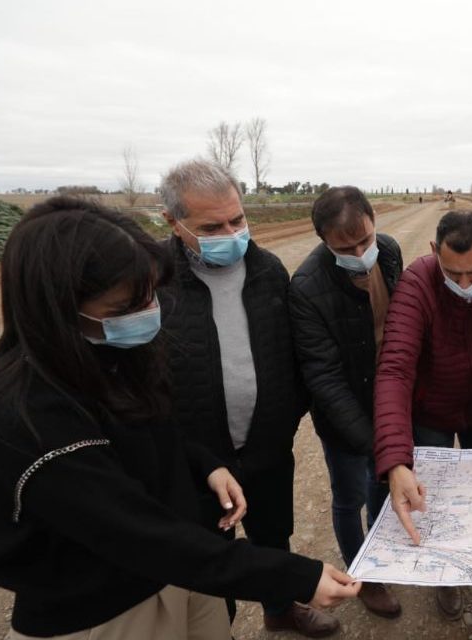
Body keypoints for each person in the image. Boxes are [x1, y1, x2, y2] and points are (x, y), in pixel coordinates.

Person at [0, 197, 359, 640]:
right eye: (125, 306)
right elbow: (136, 534)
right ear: (59, 310)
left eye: (150, 294)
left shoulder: (107, 354)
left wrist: (205, 464)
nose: (148, 311)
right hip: (106, 611)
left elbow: (153, 427)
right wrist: (292, 576)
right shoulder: (28, 415)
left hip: (181, 572)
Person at [157, 160, 333, 636]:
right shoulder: (152, 280)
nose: (231, 233)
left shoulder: (267, 270)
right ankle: (220, 627)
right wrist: (188, 451)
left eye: (237, 220)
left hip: (265, 446)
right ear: (173, 223)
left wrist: (282, 419)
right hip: (194, 458)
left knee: (273, 533)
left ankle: (280, 611)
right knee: (207, 555)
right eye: (211, 227)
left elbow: (293, 357)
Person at [374, 210, 472, 620]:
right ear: (433, 253)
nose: (464, 285)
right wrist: (397, 460)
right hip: (431, 415)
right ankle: (446, 575)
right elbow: (395, 367)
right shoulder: (418, 282)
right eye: (452, 273)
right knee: (435, 499)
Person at [288, 186, 405, 620]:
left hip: (388, 400)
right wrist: (370, 441)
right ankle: (365, 577)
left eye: (365, 240)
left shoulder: (389, 252)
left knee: (380, 489)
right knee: (349, 493)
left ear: (375, 224)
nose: (359, 252)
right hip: (343, 413)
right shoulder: (306, 287)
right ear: (323, 241)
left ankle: (379, 554)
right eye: (345, 247)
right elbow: (323, 377)